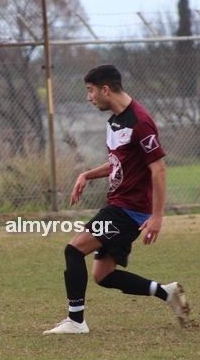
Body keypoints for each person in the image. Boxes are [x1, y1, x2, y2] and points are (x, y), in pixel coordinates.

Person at [44, 64, 190, 335]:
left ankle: (76, 322)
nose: (89, 97)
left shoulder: (140, 122)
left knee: (74, 250)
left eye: (90, 91)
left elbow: (158, 169)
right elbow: (118, 163)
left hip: (128, 211)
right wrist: (87, 174)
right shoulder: (114, 122)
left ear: (105, 89)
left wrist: (157, 217)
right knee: (103, 275)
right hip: (119, 206)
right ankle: (167, 293)